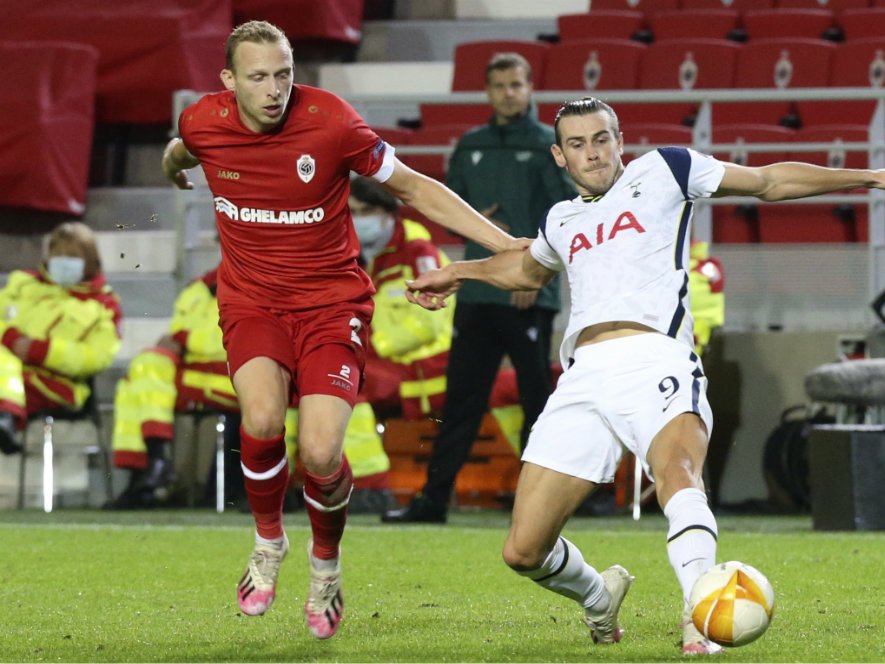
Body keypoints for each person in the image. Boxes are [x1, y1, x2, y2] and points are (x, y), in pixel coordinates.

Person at [404, 97, 885, 654]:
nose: (593, 152)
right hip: (582, 379)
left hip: (657, 358)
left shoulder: (666, 170)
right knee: (524, 551)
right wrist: (458, 271)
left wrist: (869, 176)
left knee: (677, 474)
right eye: (577, 144)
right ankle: (599, 597)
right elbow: (526, 266)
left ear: (620, 140)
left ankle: (700, 615)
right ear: (559, 156)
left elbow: (768, 182)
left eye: (602, 139)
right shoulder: (560, 219)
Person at [161, 20, 522, 640]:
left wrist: (504, 244)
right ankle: (268, 543)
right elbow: (182, 146)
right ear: (228, 82)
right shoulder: (203, 121)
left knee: (323, 453)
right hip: (252, 301)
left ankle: (324, 564)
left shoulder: (331, 122)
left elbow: (411, 187)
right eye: (258, 78)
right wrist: (174, 167)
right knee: (263, 420)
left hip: (331, 304)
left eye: (284, 74)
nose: (274, 90)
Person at [382, 51, 576, 524]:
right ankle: (432, 501)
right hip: (477, 290)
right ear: (487, 92)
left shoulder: (549, 145)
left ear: (530, 89)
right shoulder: (471, 145)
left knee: (538, 401)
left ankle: (543, 507)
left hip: (528, 292)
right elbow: (453, 206)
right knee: (461, 400)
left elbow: (563, 216)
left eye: (516, 84)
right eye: (500, 86)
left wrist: (535, 274)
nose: (509, 93)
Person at [106, 266, 299, 509]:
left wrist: (185, 339)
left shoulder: (264, 285)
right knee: (146, 365)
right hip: (201, 376)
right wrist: (182, 339)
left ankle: (150, 476)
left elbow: (236, 340)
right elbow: (180, 331)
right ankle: (152, 464)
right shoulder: (197, 289)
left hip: (243, 375)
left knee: (143, 376)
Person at [343, 175, 454, 513]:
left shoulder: (419, 255)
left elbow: (427, 326)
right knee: (316, 380)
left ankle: (372, 487)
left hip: (427, 367)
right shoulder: (355, 257)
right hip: (385, 367)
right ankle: (282, 486)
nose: (357, 220)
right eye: (351, 212)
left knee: (343, 384)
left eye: (364, 211)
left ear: (387, 211)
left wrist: (370, 345)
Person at [0, 222, 122, 455]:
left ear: (89, 260)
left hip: (58, 384)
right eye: (58, 254)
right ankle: (5, 415)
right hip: (11, 374)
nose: (63, 261)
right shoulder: (22, 284)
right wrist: (11, 338)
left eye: (72, 256)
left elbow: (96, 357)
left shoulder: (104, 306)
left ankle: (6, 416)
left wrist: (41, 351)